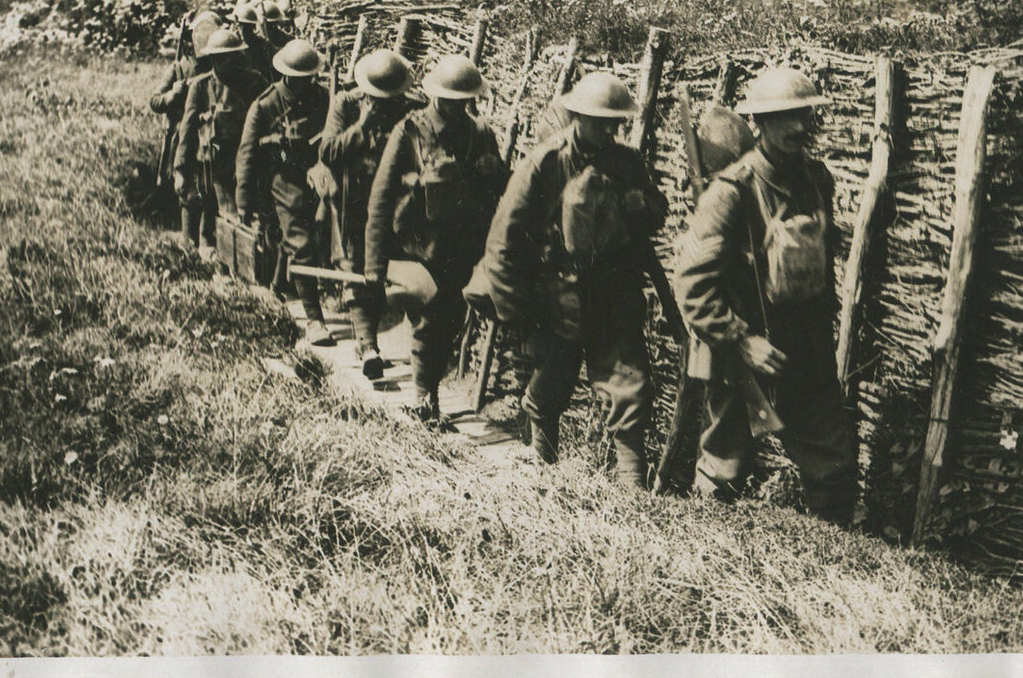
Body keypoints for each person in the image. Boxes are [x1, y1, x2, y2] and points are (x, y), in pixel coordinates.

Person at [673, 67, 857, 525]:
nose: (797, 127)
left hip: (804, 354)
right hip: (743, 360)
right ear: (759, 123)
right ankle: (705, 559)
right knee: (724, 471)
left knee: (834, 469)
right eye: (783, 118)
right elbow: (693, 287)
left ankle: (830, 570)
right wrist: (740, 340)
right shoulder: (730, 193)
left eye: (803, 116)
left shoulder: (817, 182)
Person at [478, 71, 669, 489]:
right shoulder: (544, 163)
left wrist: (641, 204)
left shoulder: (626, 163)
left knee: (629, 386)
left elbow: (657, 211)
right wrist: (513, 311)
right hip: (557, 295)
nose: (607, 130)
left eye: (614, 122)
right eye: (599, 120)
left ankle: (632, 490)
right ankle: (543, 472)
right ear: (577, 116)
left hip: (614, 292)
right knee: (550, 383)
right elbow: (504, 238)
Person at [363, 54, 507, 423]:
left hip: (463, 249)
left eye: (463, 99)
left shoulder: (480, 133)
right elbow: (381, 198)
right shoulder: (409, 131)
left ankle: (430, 391)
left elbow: (500, 195)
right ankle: (426, 400)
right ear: (435, 96)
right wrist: (374, 265)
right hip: (417, 249)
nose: (456, 106)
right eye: (450, 99)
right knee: (427, 322)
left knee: (451, 321)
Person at [318, 48, 420, 374]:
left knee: (396, 273)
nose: (383, 102)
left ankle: (416, 348)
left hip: (399, 207)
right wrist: (362, 128)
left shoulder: (411, 112)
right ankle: (368, 346)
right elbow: (328, 151)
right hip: (354, 205)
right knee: (357, 270)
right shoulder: (346, 105)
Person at [236, 39, 335, 351]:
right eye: (301, 77)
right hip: (280, 180)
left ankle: (279, 286)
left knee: (319, 236)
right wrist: (243, 200)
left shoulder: (322, 97)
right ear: (287, 76)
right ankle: (315, 319)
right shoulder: (265, 105)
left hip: (315, 175)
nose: (307, 83)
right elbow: (247, 155)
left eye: (311, 77)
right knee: (302, 243)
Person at [174, 27, 269, 246]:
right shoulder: (201, 87)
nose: (232, 63)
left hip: (248, 161)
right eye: (225, 58)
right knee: (217, 211)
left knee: (248, 214)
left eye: (235, 56)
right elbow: (187, 134)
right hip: (214, 163)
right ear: (214, 59)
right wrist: (180, 171)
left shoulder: (254, 81)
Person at [150, 9, 220, 251]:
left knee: (208, 189)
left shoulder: (215, 66)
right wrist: (172, 96)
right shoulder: (178, 69)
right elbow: (154, 101)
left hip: (208, 137)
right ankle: (187, 243)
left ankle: (206, 241)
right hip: (183, 134)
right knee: (186, 191)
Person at [233, 0, 277, 83]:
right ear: (238, 26)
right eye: (243, 26)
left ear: (253, 26)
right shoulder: (235, 45)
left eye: (248, 27)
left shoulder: (263, 43)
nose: (245, 30)